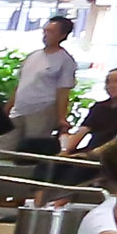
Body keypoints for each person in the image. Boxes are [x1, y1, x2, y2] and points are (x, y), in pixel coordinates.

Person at [10, 15, 81, 147]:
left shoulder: (65, 60)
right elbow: (20, 84)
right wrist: (8, 108)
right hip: (18, 108)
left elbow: (63, 92)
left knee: (32, 149)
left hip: (42, 109)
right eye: (45, 30)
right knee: (6, 147)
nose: (46, 35)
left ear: (62, 35)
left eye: (51, 31)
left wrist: (61, 118)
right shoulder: (33, 56)